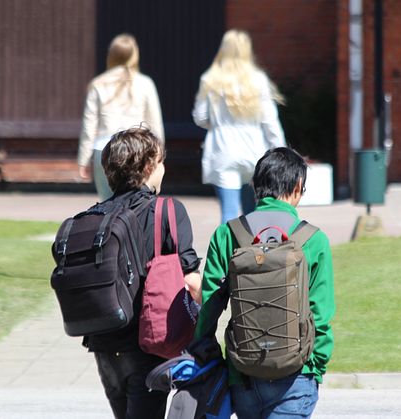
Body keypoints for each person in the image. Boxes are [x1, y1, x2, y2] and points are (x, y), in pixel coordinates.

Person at [194, 147, 335, 418]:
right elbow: (321, 315)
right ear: (297, 187)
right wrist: (315, 369)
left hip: (243, 376)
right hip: (296, 376)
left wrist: (211, 356)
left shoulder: (227, 234)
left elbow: (208, 308)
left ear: (256, 187)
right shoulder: (314, 240)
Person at [90, 127, 201, 419]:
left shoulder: (95, 216)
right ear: (150, 165)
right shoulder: (167, 210)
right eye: (162, 162)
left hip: (103, 347)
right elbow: (189, 277)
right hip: (147, 347)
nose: (164, 169)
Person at [193, 29, 286, 224]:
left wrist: (217, 124)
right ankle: (254, 252)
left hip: (222, 150)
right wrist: (281, 151)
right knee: (253, 212)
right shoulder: (258, 79)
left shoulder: (210, 79)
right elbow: (270, 121)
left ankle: (227, 253)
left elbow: (200, 117)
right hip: (254, 151)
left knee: (229, 212)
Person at [78, 34, 165, 201]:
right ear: (134, 55)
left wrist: (84, 158)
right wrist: (159, 156)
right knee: (138, 202)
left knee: (107, 203)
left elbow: (89, 126)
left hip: (104, 148)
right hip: (138, 148)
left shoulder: (98, 84)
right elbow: (155, 123)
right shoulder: (145, 83)